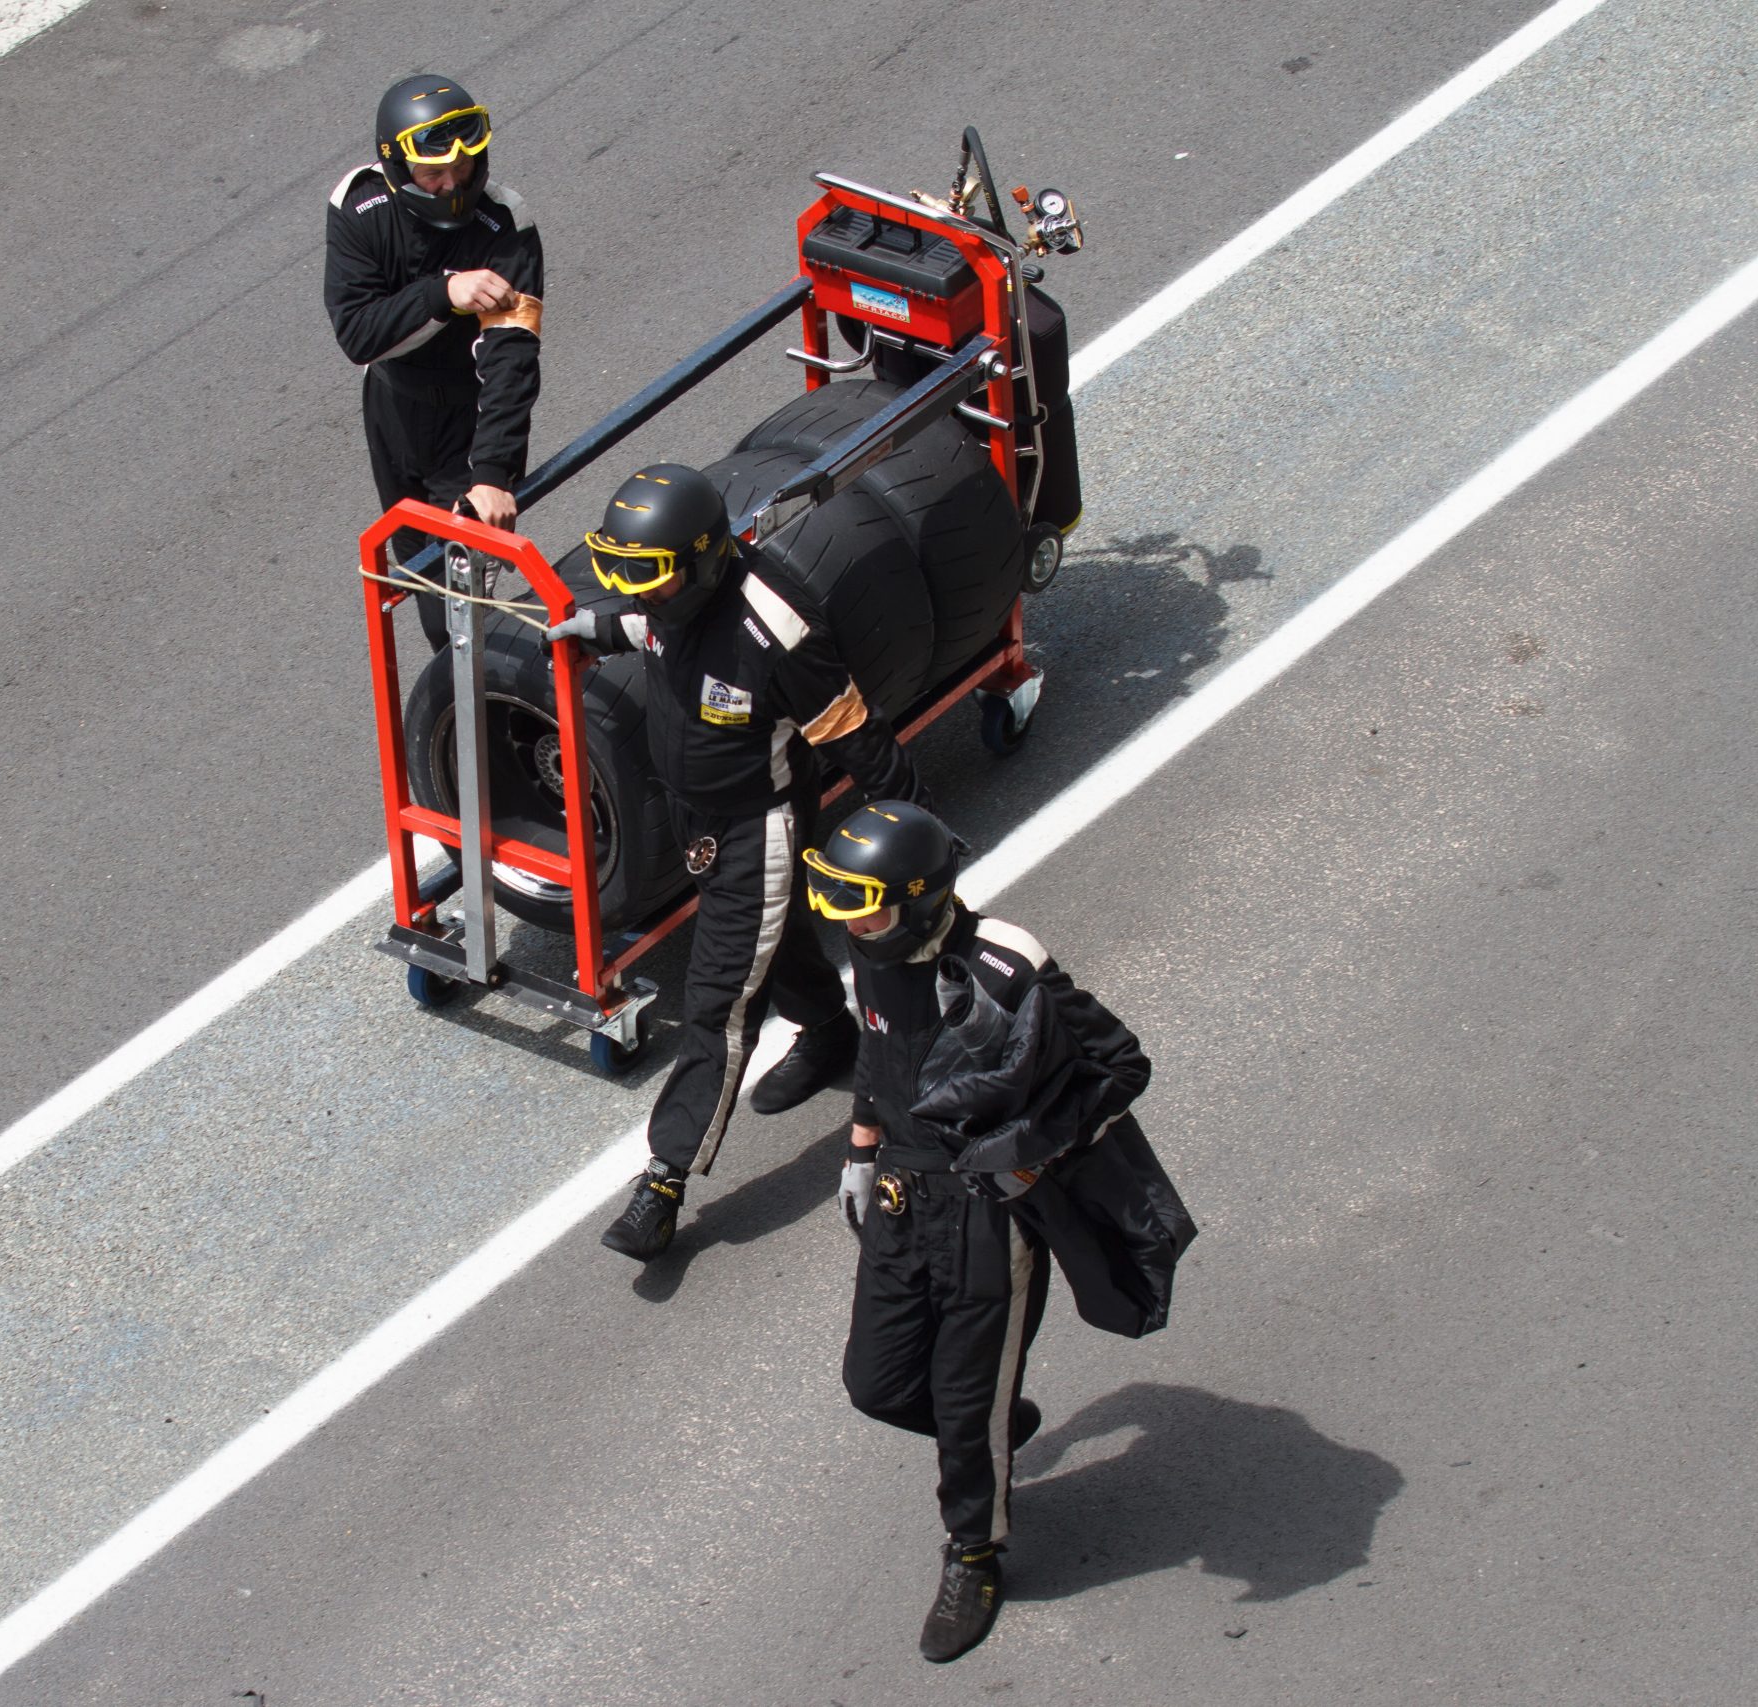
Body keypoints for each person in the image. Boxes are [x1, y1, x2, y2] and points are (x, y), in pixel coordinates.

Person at [545, 464, 923, 1259]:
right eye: (620, 572)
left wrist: (916, 831)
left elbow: (856, 735)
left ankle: (663, 1180)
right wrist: (597, 628)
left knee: (718, 999)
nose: (634, 590)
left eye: (646, 574)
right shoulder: (664, 602)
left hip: (761, 827)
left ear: (706, 560)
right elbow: (653, 632)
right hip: (696, 816)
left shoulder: (775, 628)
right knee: (770, 943)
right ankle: (828, 1031)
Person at [807, 799, 1154, 1663]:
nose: (858, 926)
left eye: (873, 907)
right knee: (876, 1383)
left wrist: (1031, 1152)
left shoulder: (1006, 966)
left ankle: (975, 1552)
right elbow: (880, 1053)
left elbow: (1122, 1064)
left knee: (963, 1411)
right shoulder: (867, 940)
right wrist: (859, 1148)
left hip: (986, 1216)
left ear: (924, 897)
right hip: (898, 1194)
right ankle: (1000, 1424)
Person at [324, 74, 543, 648]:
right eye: (434, 173)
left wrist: (492, 474)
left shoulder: (508, 225)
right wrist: (444, 294)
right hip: (392, 414)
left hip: (467, 427)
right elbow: (357, 334)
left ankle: (496, 713)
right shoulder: (358, 207)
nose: (452, 185)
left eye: (464, 168)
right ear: (397, 169)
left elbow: (512, 362)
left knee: (452, 618)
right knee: (417, 571)